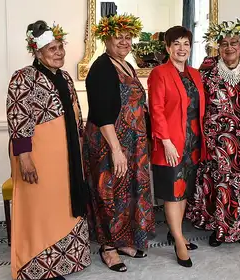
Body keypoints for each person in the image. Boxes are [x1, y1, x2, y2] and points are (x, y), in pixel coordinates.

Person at [6, 20, 90, 280]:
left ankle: (68, 260)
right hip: (38, 156)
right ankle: (36, 266)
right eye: (52, 49)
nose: (59, 53)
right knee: (41, 208)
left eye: (60, 47)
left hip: (67, 157)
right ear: (38, 52)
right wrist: (25, 158)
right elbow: (18, 117)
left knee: (63, 204)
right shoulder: (23, 77)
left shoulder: (64, 77)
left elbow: (76, 117)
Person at [83, 13, 155, 273]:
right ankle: (108, 248)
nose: (124, 42)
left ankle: (123, 241)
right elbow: (102, 113)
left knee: (127, 194)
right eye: (118, 37)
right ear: (106, 39)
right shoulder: (102, 67)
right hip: (109, 144)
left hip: (132, 143)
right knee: (109, 194)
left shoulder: (127, 64)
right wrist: (116, 150)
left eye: (128, 37)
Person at [186, 19, 240, 247]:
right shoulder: (208, 66)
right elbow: (196, 98)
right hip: (217, 137)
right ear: (217, 46)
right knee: (220, 182)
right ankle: (219, 227)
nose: (229, 47)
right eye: (224, 43)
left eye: (234, 43)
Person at [148, 26, 205, 268]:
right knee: (173, 190)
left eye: (186, 44)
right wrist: (167, 142)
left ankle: (176, 232)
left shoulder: (195, 73)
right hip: (170, 142)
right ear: (168, 48)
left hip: (192, 140)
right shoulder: (159, 73)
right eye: (177, 44)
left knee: (184, 189)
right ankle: (179, 241)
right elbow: (156, 110)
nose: (182, 48)